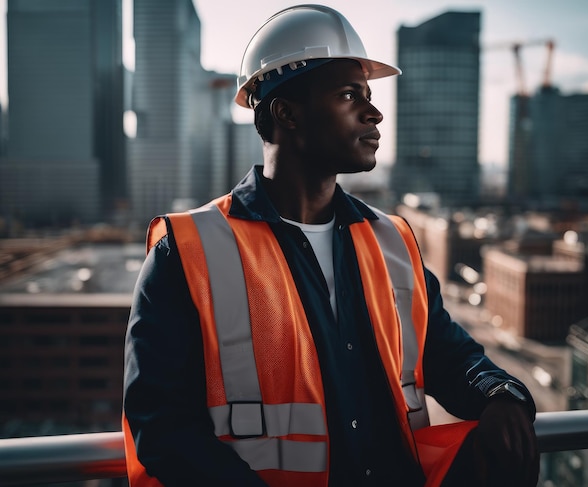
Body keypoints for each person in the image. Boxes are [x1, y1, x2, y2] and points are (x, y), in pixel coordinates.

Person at [123, 4, 539, 486]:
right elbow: (163, 427)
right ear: (287, 113)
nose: (375, 111)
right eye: (349, 95)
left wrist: (501, 395)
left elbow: (448, 355)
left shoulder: (393, 242)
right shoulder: (187, 251)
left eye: (369, 95)